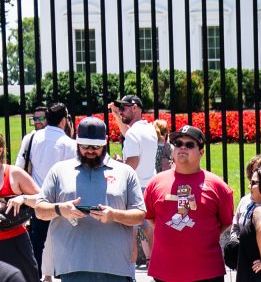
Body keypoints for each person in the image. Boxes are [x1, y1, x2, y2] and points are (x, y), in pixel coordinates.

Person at [34, 117, 146, 282]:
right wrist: (60, 209)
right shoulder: (59, 170)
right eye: (85, 146)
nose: (90, 151)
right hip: (73, 266)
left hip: (116, 267)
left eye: (96, 146)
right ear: (77, 143)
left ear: (105, 142)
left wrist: (114, 215)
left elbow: (140, 214)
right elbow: (39, 210)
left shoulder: (125, 172)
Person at [144, 125, 234, 282]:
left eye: (189, 144)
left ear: (201, 152)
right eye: (178, 143)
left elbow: (226, 222)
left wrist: (202, 235)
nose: (182, 148)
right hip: (165, 271)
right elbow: (150, 217)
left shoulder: (217, 186)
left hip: (207, 273)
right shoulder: (156, 182)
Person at [24, 102, 76, 278]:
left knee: (39, 243)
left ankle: (39, 275)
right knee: (63, 242)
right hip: (62, 201)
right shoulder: (69, 144)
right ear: (63, 121)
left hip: (38, 197)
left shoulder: (31, 138)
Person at [109, 94, 158, 268]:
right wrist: (116, 114)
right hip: (150, 186)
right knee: (148, 231)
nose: (121, 111)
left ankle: (129, 273)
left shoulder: (132, 135)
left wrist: (116, 165)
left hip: (134, 188)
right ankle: (154, 271)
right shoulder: (149, 129)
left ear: (135, 107)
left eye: (124, 108)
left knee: (131, 232)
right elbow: (128, 133)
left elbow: (132, 164)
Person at [0, 134, 40, 282]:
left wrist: (23, 198)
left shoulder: (13, 173)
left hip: (15, 242)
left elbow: (43, 199)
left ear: (0, 150)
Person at [14, 106, 47, 174]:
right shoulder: (28, 138)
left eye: (41, 118)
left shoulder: (54, 138)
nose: (37, 121)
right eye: (35, 119)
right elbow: (19, 165)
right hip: (32, 182)